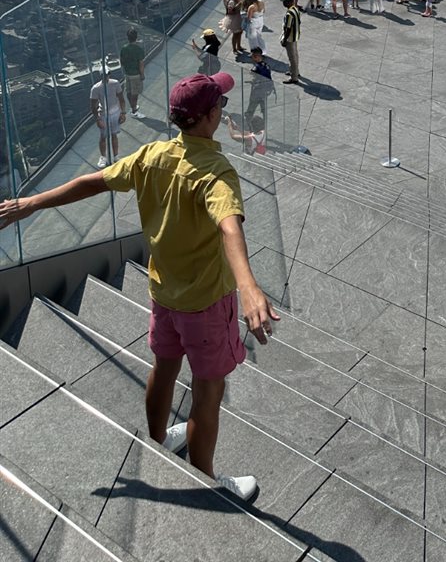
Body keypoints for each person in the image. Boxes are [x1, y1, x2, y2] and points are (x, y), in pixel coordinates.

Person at [0, 72, 278, 502]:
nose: (224, 108)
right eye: (220, 104)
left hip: (162, 293)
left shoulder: (152, 155)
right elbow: (229, 227)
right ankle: (206, 482)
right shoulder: (215, 170)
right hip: (204, 302)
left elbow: (93, 183)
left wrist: (31, 203)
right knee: (209, 388)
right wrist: (249, 286)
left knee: (164, 365)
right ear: (207, 117)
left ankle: (159, 439)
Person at [90, 70, 127, 168]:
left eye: (107, 74)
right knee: (103, 136)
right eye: (104, 75)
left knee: (114, 134)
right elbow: (93, 106)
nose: (105, 76)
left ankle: (116, 156)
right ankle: (103, 157)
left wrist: (123, 113)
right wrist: (98, 119)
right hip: (103, 114)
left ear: (109, 75)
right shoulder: (95, 88)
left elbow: (121, 99)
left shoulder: (115, 84)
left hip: (115, 112)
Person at [119, 27, 146, 117]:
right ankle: (134, 111)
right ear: (136, 37)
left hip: (127, 74)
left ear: (128, 37)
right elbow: (141, 64)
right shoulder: (139, 50)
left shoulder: (124, 49)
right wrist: (142, 74)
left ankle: (132, 107)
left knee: (129, 92)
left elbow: (122, 62)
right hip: (136, 75)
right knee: (135, 93)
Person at [244, 48, 275, 122]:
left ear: (257, 56)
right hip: (266, 89)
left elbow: (256, 77)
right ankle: (265, 120)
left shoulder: (256, 68)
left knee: (252, 105)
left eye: (253, 56)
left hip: (258, 90)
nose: (252, 58)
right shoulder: (266, 65)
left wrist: (253, 80)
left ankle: (248, 120)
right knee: (263, 105)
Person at [280, 0, 301, 84]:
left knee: (292, 57)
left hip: (290, 38)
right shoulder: (296, 9)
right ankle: (295, 71)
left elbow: (288, 28)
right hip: (295, 36)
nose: (283, 3)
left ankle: (294, 77)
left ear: (289, 3)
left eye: (285, 2)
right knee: (295, 55)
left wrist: (285, 39)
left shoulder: (289, 14)